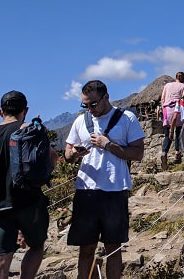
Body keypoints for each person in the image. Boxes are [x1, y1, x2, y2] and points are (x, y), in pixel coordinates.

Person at [0, 90, 58, 279]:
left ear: (1, 112)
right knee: (36, 247)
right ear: (24, 111)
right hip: (30, 204)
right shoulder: (32, 132)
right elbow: (52, 158)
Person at [64, 80, 145, 279]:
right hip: (86, 190)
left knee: (113, 247)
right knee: (86, 247)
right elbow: (67, 154)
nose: (90, 109)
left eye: (93, 104)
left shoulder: (126, 118)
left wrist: (108, 145)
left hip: (115, 190)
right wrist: (74, 153)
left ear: (106, 97)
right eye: (85, 105)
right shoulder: (81, 121)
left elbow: (138, 153)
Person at [160, 72, 184, 167]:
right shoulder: (183, 86)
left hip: (167, 110)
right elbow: (183, 99)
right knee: (178, 133)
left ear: (175, 78)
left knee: (167, 135)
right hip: (177, 110)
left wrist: (164, 109)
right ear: (183, 79)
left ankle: (164, 152)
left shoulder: (167, 85)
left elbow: (162, 99)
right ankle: (177, 153)